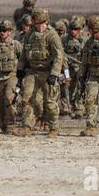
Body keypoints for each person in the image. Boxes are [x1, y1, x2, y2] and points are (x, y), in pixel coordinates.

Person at [17, 8, 64, 138]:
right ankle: (26, 126)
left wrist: (54, 73)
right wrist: (20, 69)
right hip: (32, 71)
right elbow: (23, 55)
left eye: (37, 21)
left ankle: (53, 128)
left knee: (50, 101)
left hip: (47, 72)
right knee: (27, 98)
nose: (35, 24)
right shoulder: (30, 35)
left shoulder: (52, 35)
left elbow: (59, 56)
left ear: (43, 21)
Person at [0, 20, 22, 135]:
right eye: (0, 30)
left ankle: (11, 125)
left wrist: (22, 75)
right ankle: (3, 125)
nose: (2, 33)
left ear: (10, 32)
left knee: (9, 99)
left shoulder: (15, 44)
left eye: (5, 30)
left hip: (11, 76)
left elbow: (24, 58)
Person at [61, 18, 86, 118]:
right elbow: (61, 54)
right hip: (67, 67)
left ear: (79, 30)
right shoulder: (64, 39)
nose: (73, 31)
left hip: (79, 67)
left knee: (79, 87)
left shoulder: (83, 40)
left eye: (75, 29)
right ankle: (65, 106)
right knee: (64, 85)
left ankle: (79, 107)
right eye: (71, 29)